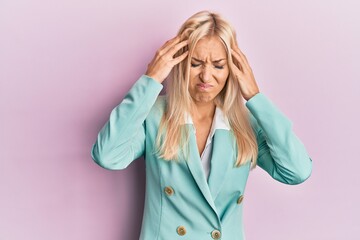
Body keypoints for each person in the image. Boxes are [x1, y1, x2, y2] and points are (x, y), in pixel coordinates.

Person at [91, 10, 313, 240]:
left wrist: (255, 97)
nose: (206, 77)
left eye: (218, 66)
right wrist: (151, 80)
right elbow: (107, 155)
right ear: (180, 63)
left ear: (233, 69)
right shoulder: (153, 115)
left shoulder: (245, 123)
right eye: (195, 64)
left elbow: (297, 171)